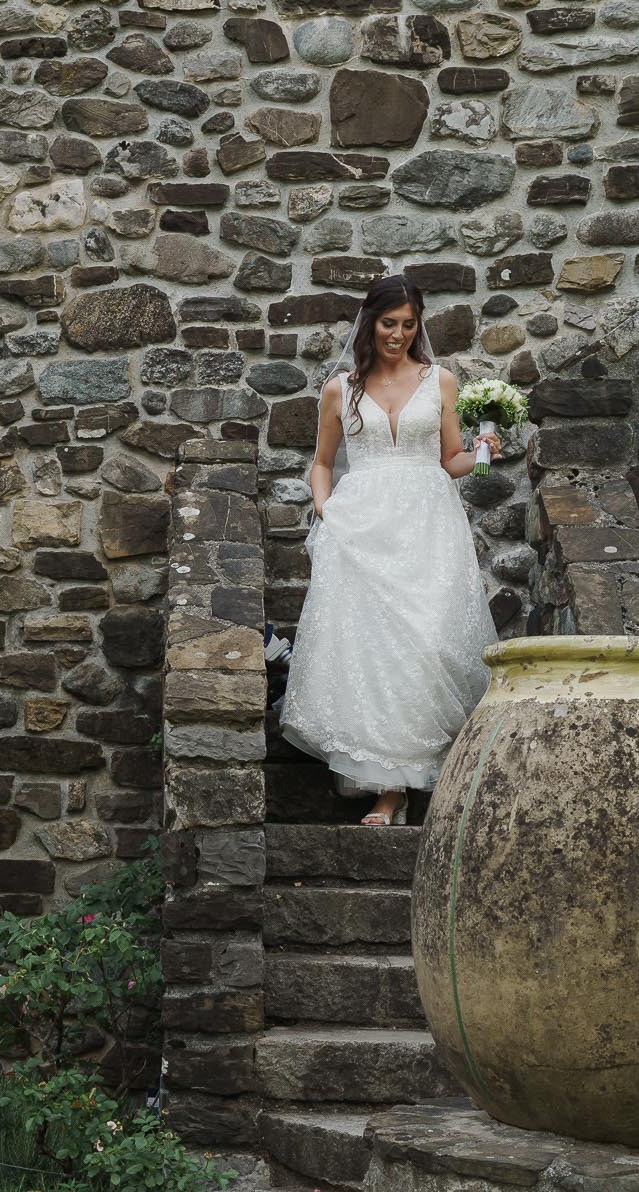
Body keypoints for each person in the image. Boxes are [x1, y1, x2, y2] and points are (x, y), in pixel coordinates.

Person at [277, 274, 499, 827]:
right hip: (363, 524)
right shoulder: (340, 389)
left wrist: (483, 450)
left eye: (408, 325)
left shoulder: (440, 380)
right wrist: (326, 511)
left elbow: (450, 460)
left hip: (428, 524)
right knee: (372, 650)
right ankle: (389, 790)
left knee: (425, 645)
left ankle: (416, 777)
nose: (398, 334)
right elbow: (323, 462)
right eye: (388, 324)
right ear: (369, 323)